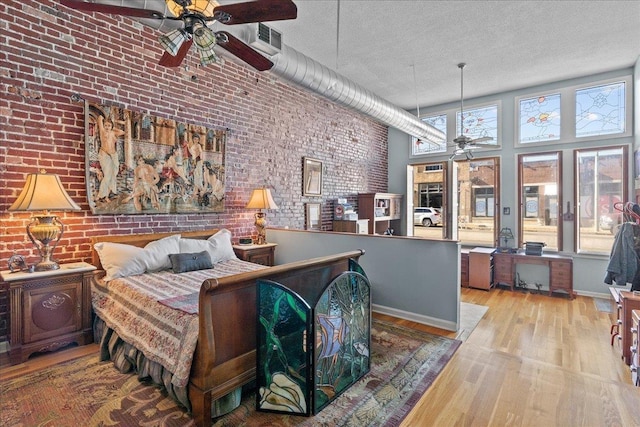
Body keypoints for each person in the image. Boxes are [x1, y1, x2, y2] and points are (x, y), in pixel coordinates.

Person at [96, 114, 125, 202]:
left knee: (113, 176)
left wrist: (114, 125)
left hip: (114, 155)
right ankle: (100, 195)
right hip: (104, 154)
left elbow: (122, 132)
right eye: (106, 125)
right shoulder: (102, 131)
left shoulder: (113, 133)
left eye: (109, 125)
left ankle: (107, 196)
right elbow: (99, 118)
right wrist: (102, 120)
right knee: (107, 175)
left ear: (111, 126)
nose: (107, 127)